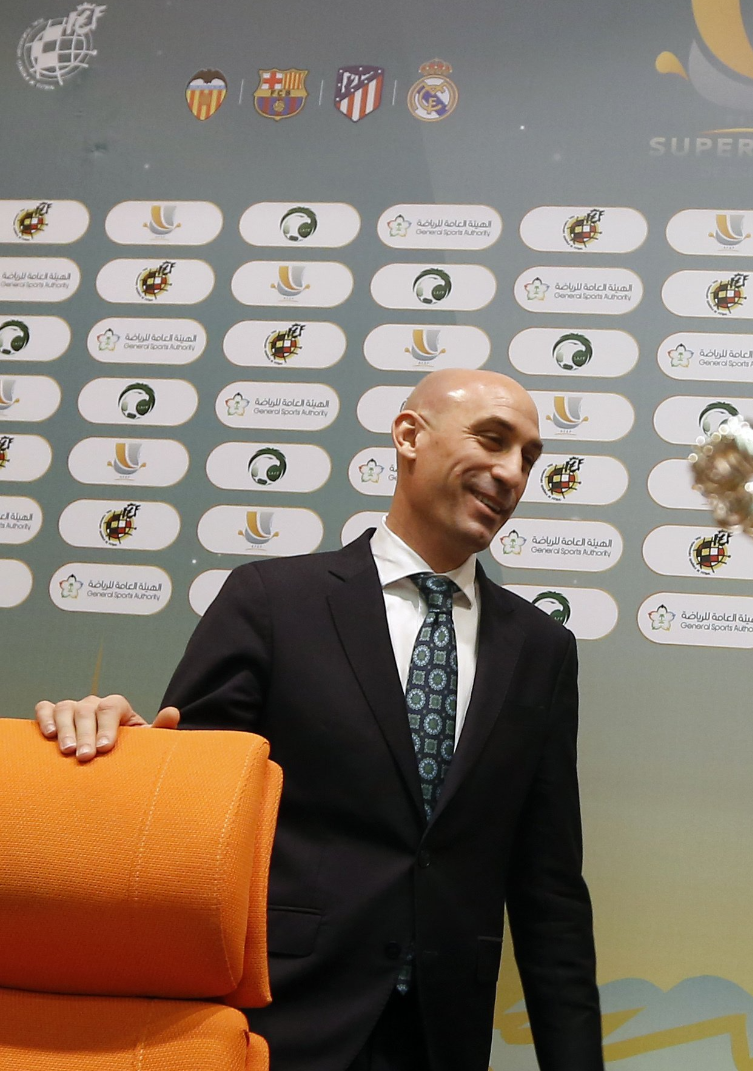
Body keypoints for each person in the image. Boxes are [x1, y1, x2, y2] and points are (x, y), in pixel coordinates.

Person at [36, 369, 603, 1071]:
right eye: (492, 440)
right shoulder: (273, 603)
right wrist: (121, 747)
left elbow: (550, 890)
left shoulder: (541, 650)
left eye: (529, 457)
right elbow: (187, 817)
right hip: (277, 1023)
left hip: (441, 1036)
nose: (513, 473)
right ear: (408, 437)